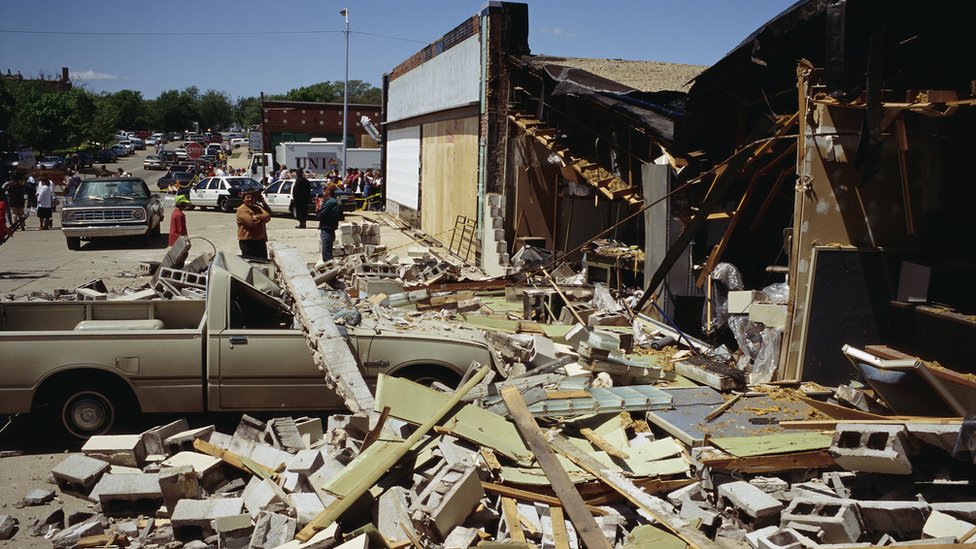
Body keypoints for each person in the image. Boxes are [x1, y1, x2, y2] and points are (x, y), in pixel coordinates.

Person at [236, 189, 271, 259]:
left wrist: (257, 216)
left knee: (263, 262)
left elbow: (268, 216)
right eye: (248, 197)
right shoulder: (241, 209)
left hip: (260, 241)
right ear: (243, 199)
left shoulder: (257, 207)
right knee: (251, 263)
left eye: (252, 197)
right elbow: (252, 222)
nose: (250, 199)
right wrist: (262, 219)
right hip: (248, 242)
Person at [316, 184, 340, 262]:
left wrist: (319, 208)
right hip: (330, 229)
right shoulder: (333, 201)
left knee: (327, 256)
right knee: (328, 252)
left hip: (327, 229)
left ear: (328, 191)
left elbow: (320, 216)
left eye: (324, 190)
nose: (322, 191)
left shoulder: (330, 202)